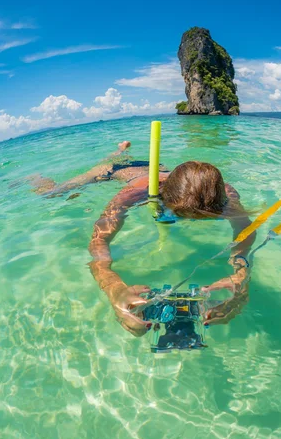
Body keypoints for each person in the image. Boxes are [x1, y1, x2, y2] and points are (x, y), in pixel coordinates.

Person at [88, 160, 256, 337]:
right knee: (58, 191)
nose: (192, 221)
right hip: (120, 170)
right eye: (181, 214)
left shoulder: (226, 196)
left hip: (164, 172)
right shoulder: (135, 193)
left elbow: (245, 229)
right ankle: (118, 154)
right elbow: (99, 239)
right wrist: (113, 288)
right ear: (165, 198)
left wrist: (241, 272)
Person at [30, 141, 167, 197]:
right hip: (111, 170)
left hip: (150, 167)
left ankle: (121, 149)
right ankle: (35, 177)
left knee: (115, 160)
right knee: (53, 192)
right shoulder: (142, 186)